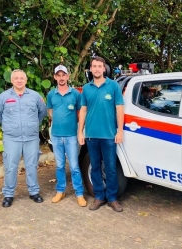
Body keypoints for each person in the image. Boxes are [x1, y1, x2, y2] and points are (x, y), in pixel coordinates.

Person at [0, 69, 47, 208]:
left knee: (32, 166)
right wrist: (10, 126)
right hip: (12, 138)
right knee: (11, 167)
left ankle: (34, 192)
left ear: (26, 80)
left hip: (31, 138)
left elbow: (42, 112)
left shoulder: (35, 96)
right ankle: (8, 194)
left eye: (21, 78)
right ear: (11, 80)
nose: (19, 80)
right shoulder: (3, 97)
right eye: (16, 78)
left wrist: (33, 125)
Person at [77, 57, 124, 212]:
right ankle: (99, 197)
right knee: (95, 167)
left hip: (109, 135)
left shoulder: (113, 86)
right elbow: (83, 111)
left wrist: (120, 131)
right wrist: (80, 132)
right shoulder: (86, 88)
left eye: (99, 66)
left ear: (104, 69)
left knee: (110, 168)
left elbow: (119, 109)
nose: (97, 69)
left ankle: (112, 198)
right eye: (94, 66)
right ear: (90, 69)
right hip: (91, 135)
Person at [46, 65, 87, 207]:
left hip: (71, 136)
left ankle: (79, 193)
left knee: (74, 166)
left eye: (64, 75)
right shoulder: (51, 94)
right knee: (59, 165)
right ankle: (60, 191)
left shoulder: (75, 94)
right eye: (59, 75)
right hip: (56, 136)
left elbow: (79, 112)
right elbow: (50, 111)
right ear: (55, 77)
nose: (61, 78)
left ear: (68, 77)